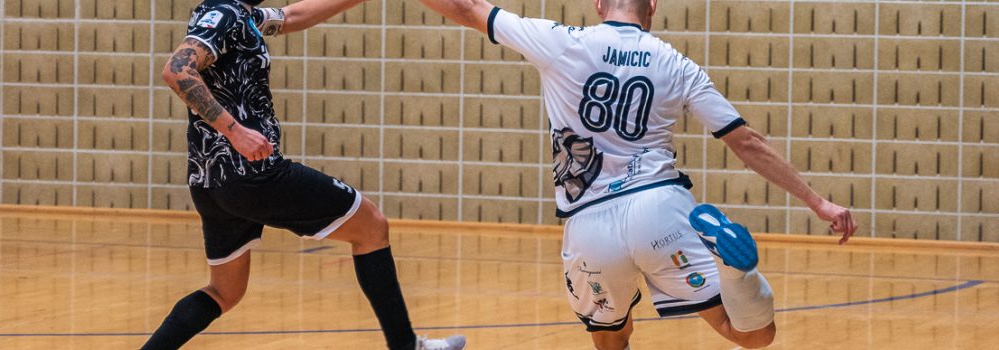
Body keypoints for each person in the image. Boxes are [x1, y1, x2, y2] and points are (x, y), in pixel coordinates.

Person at [411, 0, 859, 348]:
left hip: (589, 223)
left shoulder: (560, 40)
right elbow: (747, 142)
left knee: (610, 338)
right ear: (654, 7)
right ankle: (736, 274)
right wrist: (818, 202)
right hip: (660, 209)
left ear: (599, 4)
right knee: (752, 335)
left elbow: (468, 8)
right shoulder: (676, 64)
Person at [142, 0, 466, 349]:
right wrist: (235, 131)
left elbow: (293, 16)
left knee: (225, 291)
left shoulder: (242, 16)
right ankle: (406, 346)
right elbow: (177, 70)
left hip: (213, 183)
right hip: (255, 174)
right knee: (371, 226)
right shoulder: (225, 14)